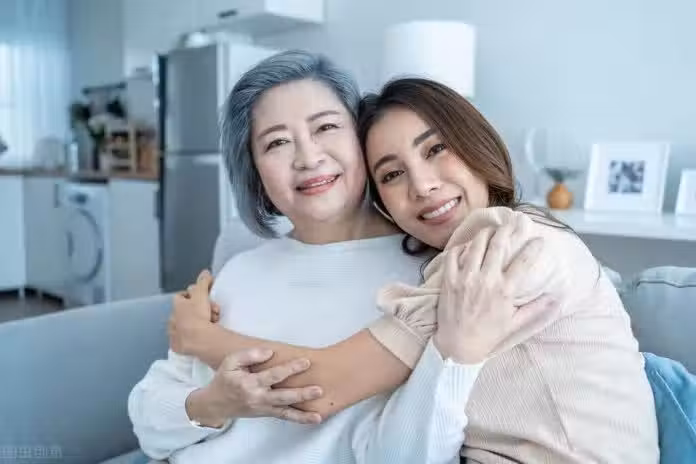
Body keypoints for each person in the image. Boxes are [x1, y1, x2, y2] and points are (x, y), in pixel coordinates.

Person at [171, 75, 659, 462]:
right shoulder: (454, 257)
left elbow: (318, 389)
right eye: (392, 174)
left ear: (476, 143)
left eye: (435, 149)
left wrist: (201, 338)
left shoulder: (507, 248)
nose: (422, 186)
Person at [129, 51, 542, 464]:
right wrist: (212, 404)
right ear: (254, 171)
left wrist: (203, 340)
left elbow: (414, 451)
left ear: (363, 140)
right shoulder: (238, 271)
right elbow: (148, 420)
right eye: (276, 142)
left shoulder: (429, 273)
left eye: (325, 127)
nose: (308, 158)